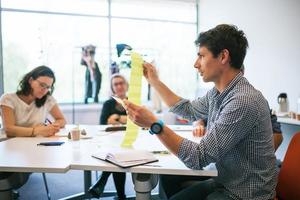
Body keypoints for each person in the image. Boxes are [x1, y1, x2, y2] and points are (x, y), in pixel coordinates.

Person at [124, 24, 277, 199]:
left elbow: (198, 158)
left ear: (223, 56)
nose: (196, 64)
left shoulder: (242, 101)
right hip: (225, 183)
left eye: (201, 56)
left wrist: (154, 124)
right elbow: (188, 109)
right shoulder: (218, 93)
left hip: (245, 195)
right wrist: (155, 81)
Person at [89, 74, 128, 200]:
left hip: (131, 139)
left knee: (116, 155)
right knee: (116, 155)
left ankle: (101, 182)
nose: (119, 86)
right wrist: (125, 120)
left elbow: (137, 122)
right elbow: (102, 124)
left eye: (121, 83)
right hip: (112, 140)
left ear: (126, 85)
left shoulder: (133, 101)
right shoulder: (108, 103)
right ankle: (121, 196)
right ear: (112, 88)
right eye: (115, 84)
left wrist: (118, 118)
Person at [0, 65, 66, 137]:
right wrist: (36, 131)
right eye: (42, 85)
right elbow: (9, 130)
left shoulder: (48, 99)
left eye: (48, 87)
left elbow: (62, 120)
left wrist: (49, 127)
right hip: (10, 143)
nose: (44, 90)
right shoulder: (8, 99)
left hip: (35, 142)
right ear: (31, 80)